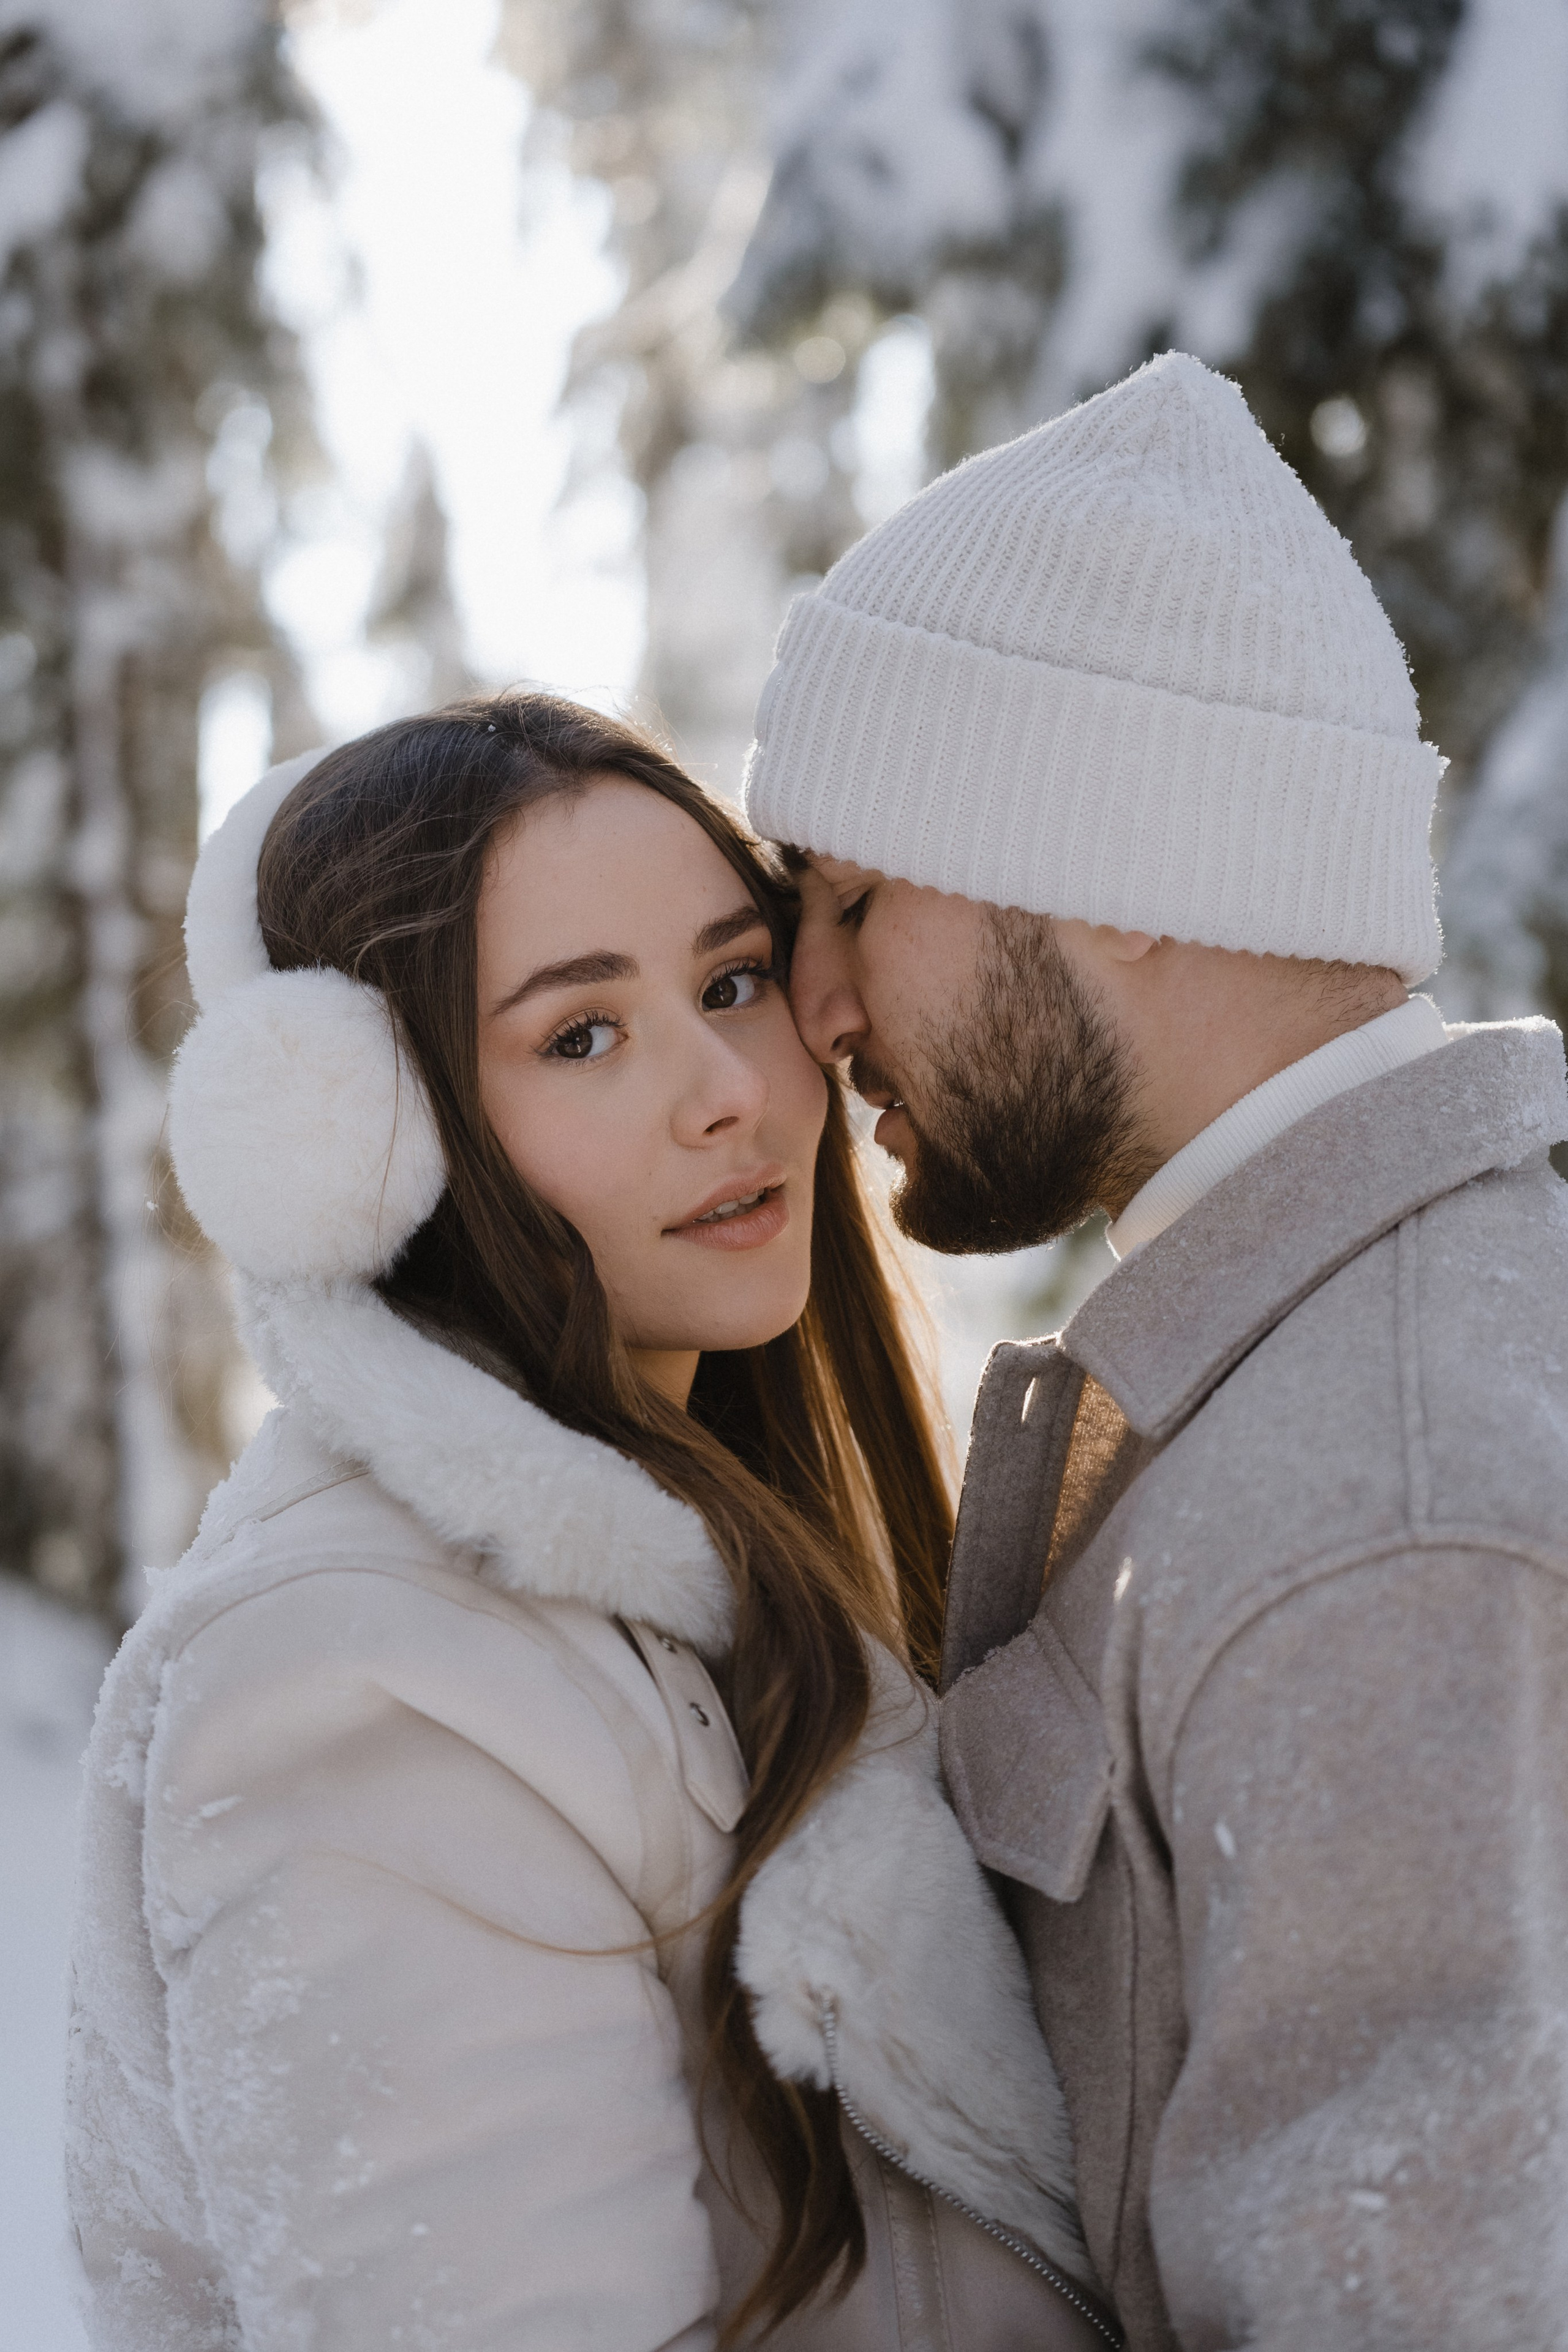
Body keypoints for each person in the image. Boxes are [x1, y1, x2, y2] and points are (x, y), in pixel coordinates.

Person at [64, 696, 1117, 2352]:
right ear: (380, 1137)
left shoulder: (723, 1570)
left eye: (731, 982)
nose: (728, 1096)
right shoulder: (359, 1676)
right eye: (580, 1035)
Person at [745, 350, 1568, 2351]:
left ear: (1121, 870)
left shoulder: (1376, 1510)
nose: (816, 1009)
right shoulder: (1307, 1379)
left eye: (854, 899)